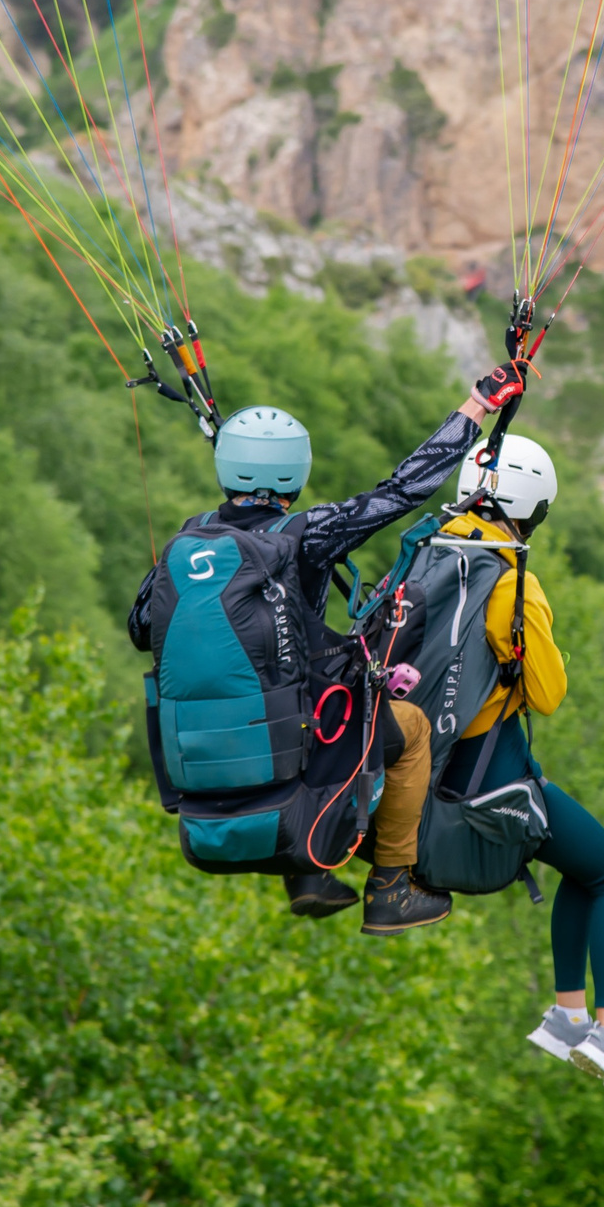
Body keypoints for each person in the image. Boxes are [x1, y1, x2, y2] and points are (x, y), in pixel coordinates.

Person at [126, 358, 530, 921]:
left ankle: (309, 874)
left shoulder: (186, 543)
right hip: (299, 734)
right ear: (297, 472)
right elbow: (401, 491)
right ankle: (391, 885)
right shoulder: (304, 536)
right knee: (408, 729)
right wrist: (477, 407)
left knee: (295, 702)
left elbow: (141, 628)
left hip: (201, 762)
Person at [383, 433, 604, 1110]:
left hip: (419, 772)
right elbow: (549, 691)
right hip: (486, 781)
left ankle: (568, 1017)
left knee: (580, 864)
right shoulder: (510, 577)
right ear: (531, 505)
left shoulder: (428, 552)